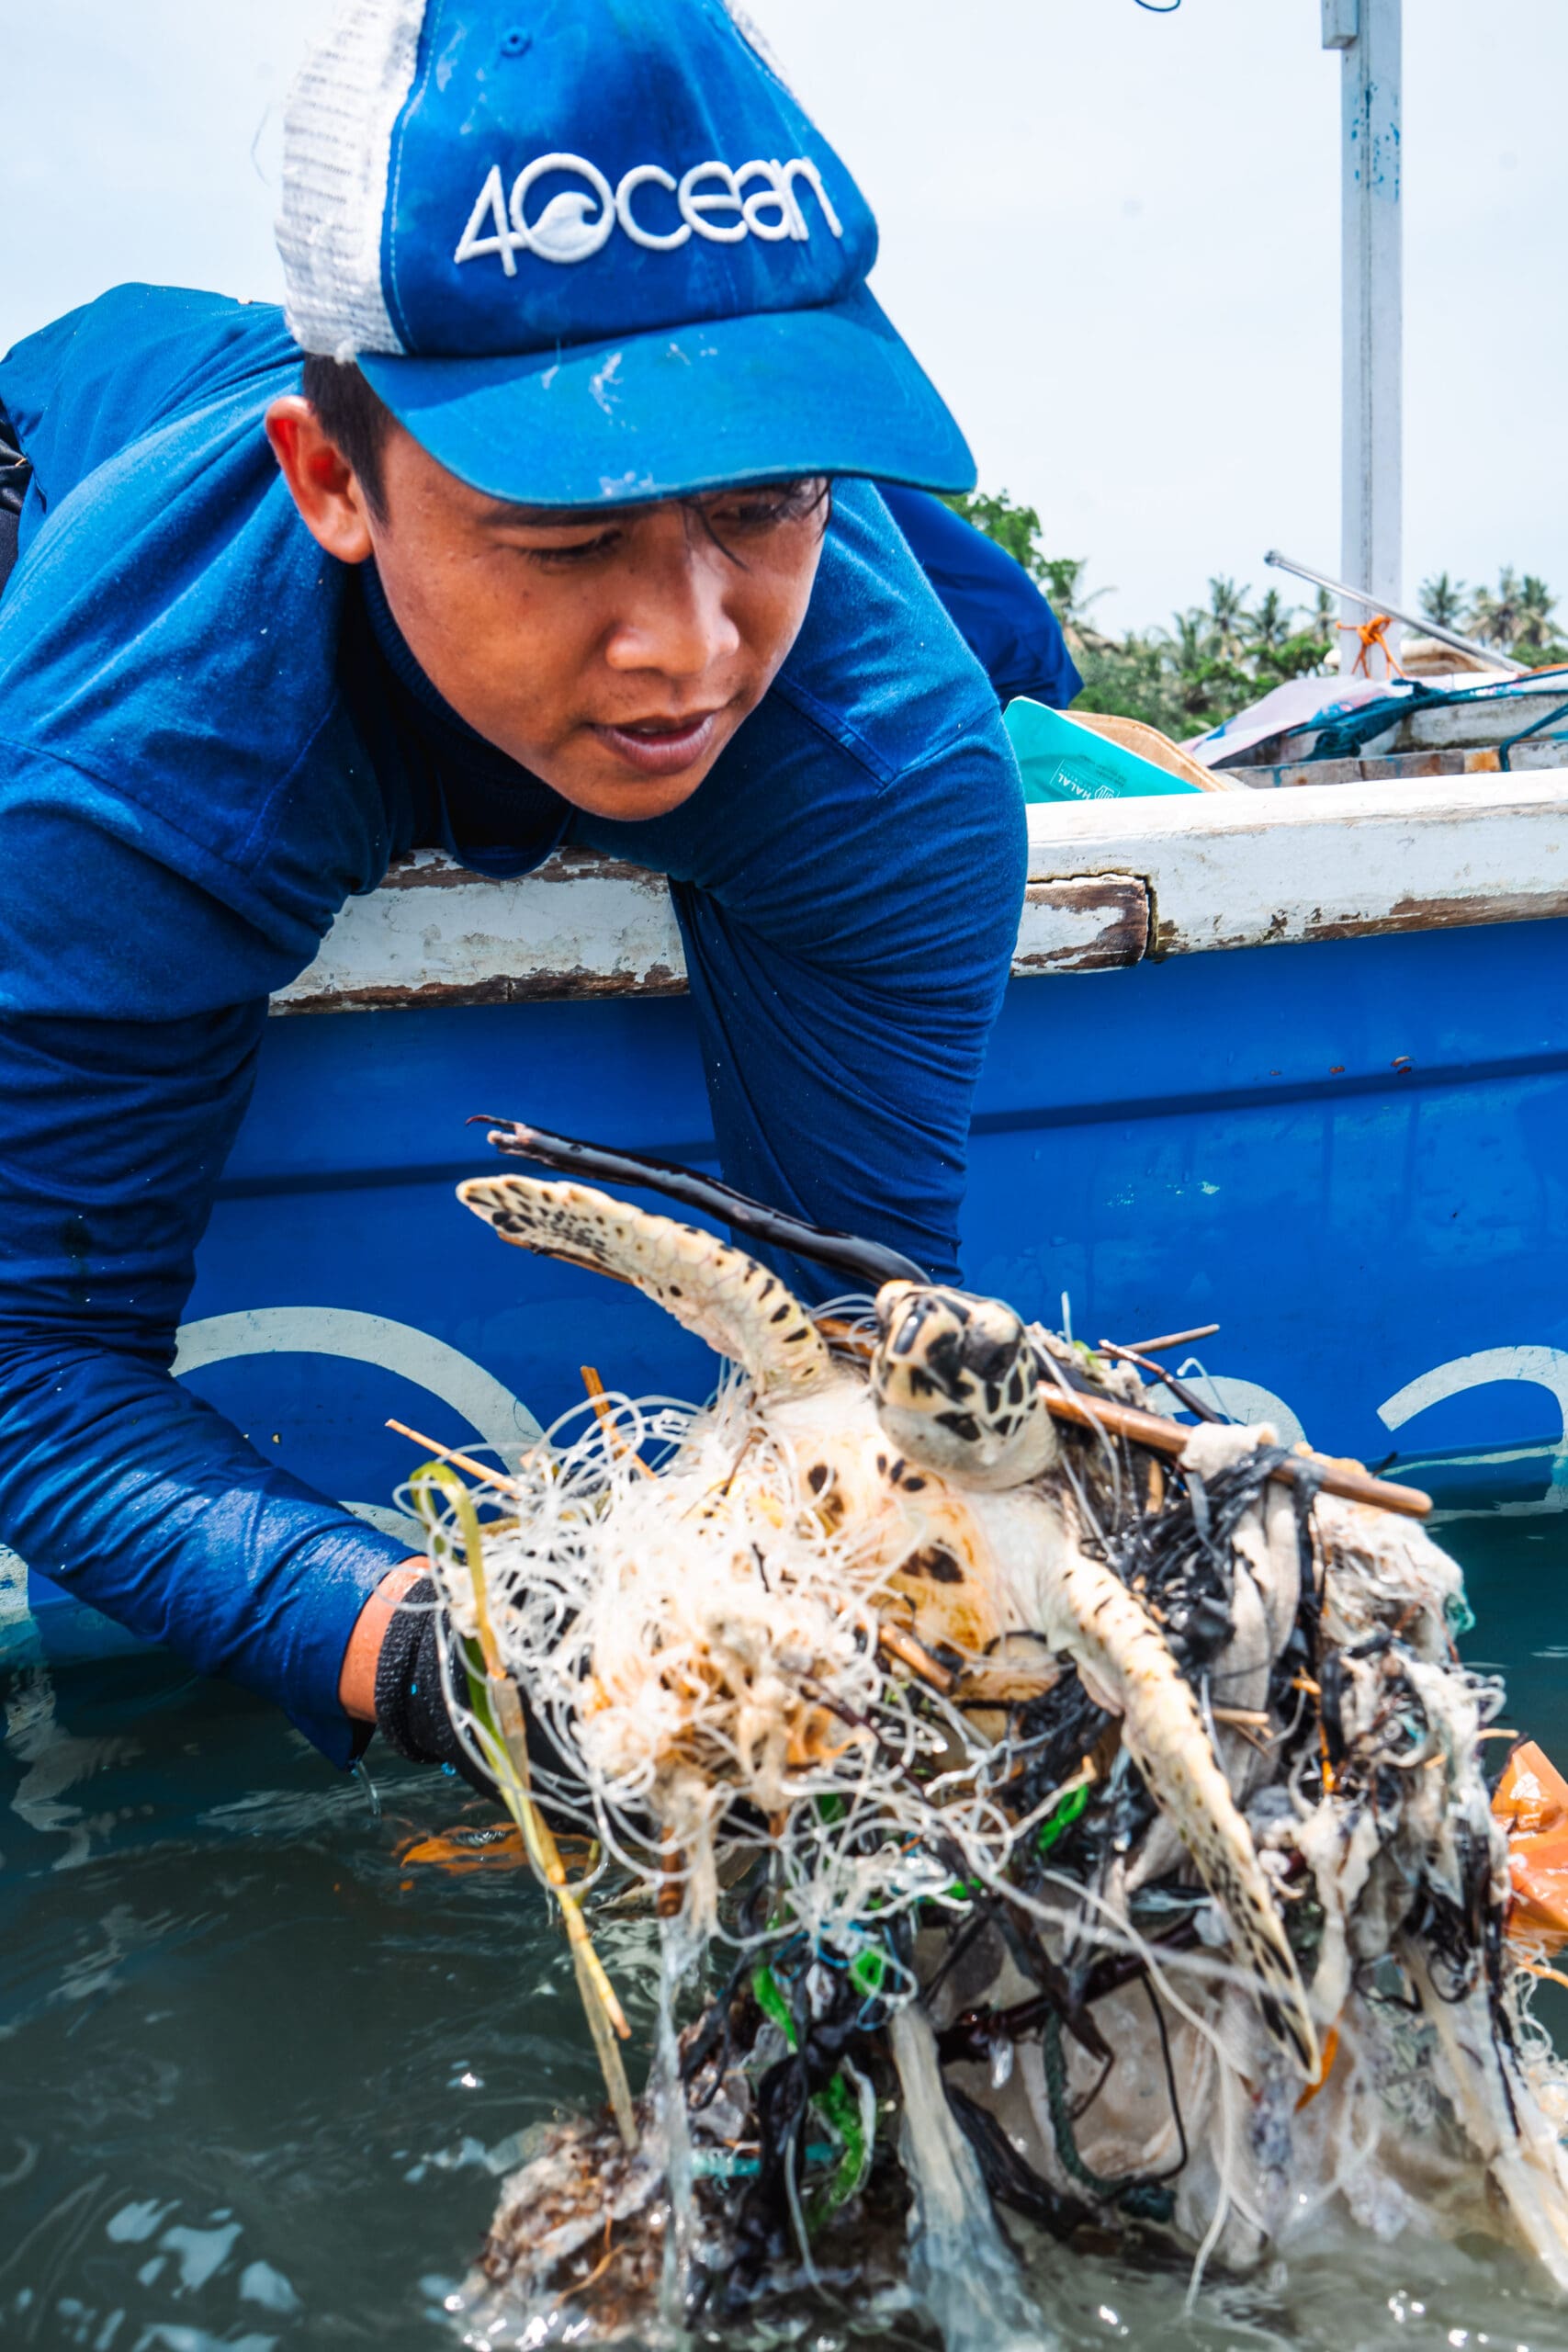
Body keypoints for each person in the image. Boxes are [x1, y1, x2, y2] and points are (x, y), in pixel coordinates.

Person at [0, 0, 1036, 1781]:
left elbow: (853, 1393)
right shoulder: (122, 764)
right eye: (572, 539)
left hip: (452, 473)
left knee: (1012, 640)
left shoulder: (884, 761)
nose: (693, 649)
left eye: (767, 496)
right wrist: (434, 1648)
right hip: (79, 425)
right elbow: (30, 1372)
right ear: (333, 478)